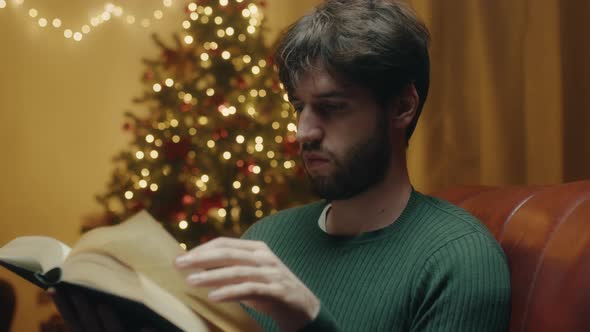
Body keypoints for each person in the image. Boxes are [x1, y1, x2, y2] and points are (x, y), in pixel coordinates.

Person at [52, 0, 511, 331]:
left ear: (402, 107)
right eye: (299, 107)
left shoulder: (458, 261)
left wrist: (306, 319)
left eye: (331, 107)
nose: (303, 132)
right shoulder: (267, 239)